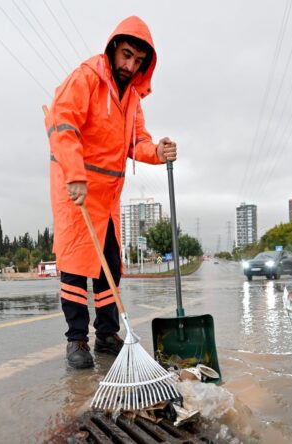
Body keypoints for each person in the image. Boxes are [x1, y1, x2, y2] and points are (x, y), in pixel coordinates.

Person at [44, 16, 177, 369]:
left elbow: (139, 142)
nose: (130, 66)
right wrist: (74, 175)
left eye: (138, 62)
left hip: (108, 196)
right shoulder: (87, 78)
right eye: (127, 56)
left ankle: (106, 334)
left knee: (109, 269)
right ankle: (76, 341)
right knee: (74, 268)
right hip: (76, 188)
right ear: (113, 48)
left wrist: (158, 151)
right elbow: (63, 124)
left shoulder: (132, 97)